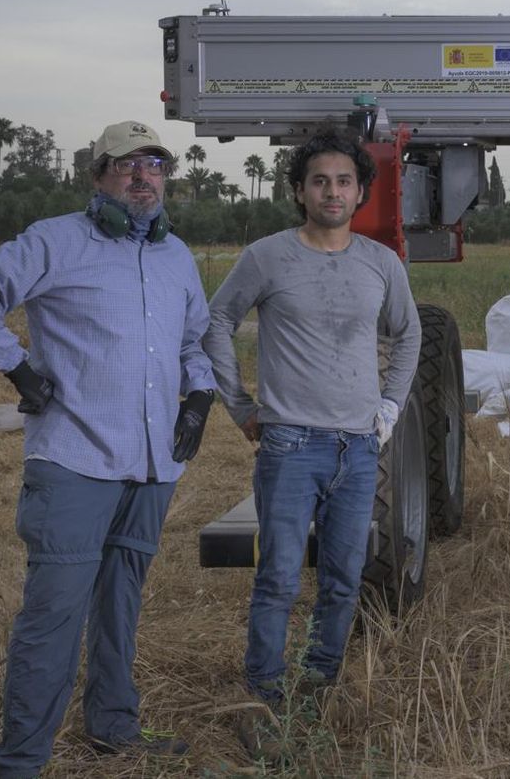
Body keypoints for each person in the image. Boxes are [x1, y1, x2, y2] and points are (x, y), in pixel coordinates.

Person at [0, 120, 216, 779]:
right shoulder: (57, 241)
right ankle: (22, 762)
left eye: (154, 164)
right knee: (54, 615)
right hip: (74, 460)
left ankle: (113, 728)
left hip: (152, 465)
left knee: (121, 603)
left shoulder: (175, 257)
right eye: (127, 164)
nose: (143, 175)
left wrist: (200, 398)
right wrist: (19, 369)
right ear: (99, 176)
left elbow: (192, 339)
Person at [202, 126, 419, 750]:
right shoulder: (268, 257)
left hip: (359, 447)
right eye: (319, 181)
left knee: (344, 576)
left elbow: (407, 335)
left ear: (360, 194)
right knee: (278, 579)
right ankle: (263, 699)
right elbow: (218, 319)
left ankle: (318, 686)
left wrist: (389, 407)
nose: (332, 191)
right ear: (299, 191)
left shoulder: (382, 264)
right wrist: (239, 404)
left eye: (344, 181)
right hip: (290, 445)